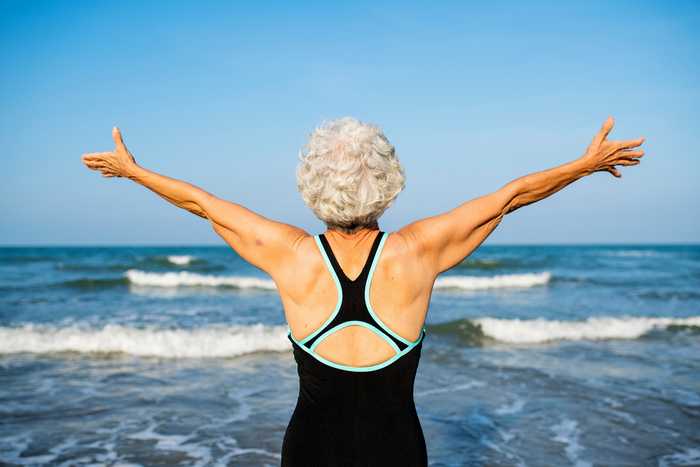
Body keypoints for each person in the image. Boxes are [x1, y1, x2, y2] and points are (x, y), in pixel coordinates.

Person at [81, 116, 645, 466]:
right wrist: (587, 164)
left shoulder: (290, 253)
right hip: (398, 451)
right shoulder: (417, 251)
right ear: (390, 182)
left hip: (309, 452)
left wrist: (135, 172)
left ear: (310, 185)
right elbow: (511, 196)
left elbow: (201, 203)